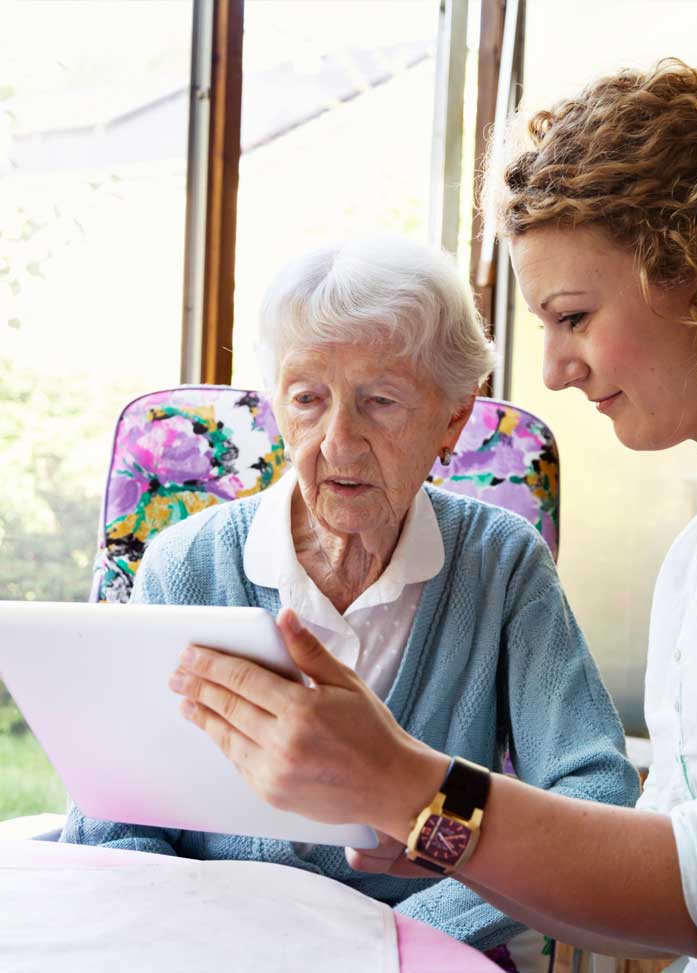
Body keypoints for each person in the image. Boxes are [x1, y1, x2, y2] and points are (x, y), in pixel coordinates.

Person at [165, 61, 697, 972]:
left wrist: (409, 786)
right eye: (307, 397)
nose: (554, 370)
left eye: (572, 315)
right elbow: (651, 901)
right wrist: (433, 823)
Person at [60, 236, 641, 961]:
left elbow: (594, 791)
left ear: (453, 420)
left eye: (381, 401)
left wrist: (412, 932)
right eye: (307, 399)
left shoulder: (501, 563)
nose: (338, 442)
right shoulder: (186, 563)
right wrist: (198, 937)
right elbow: (116, 808)